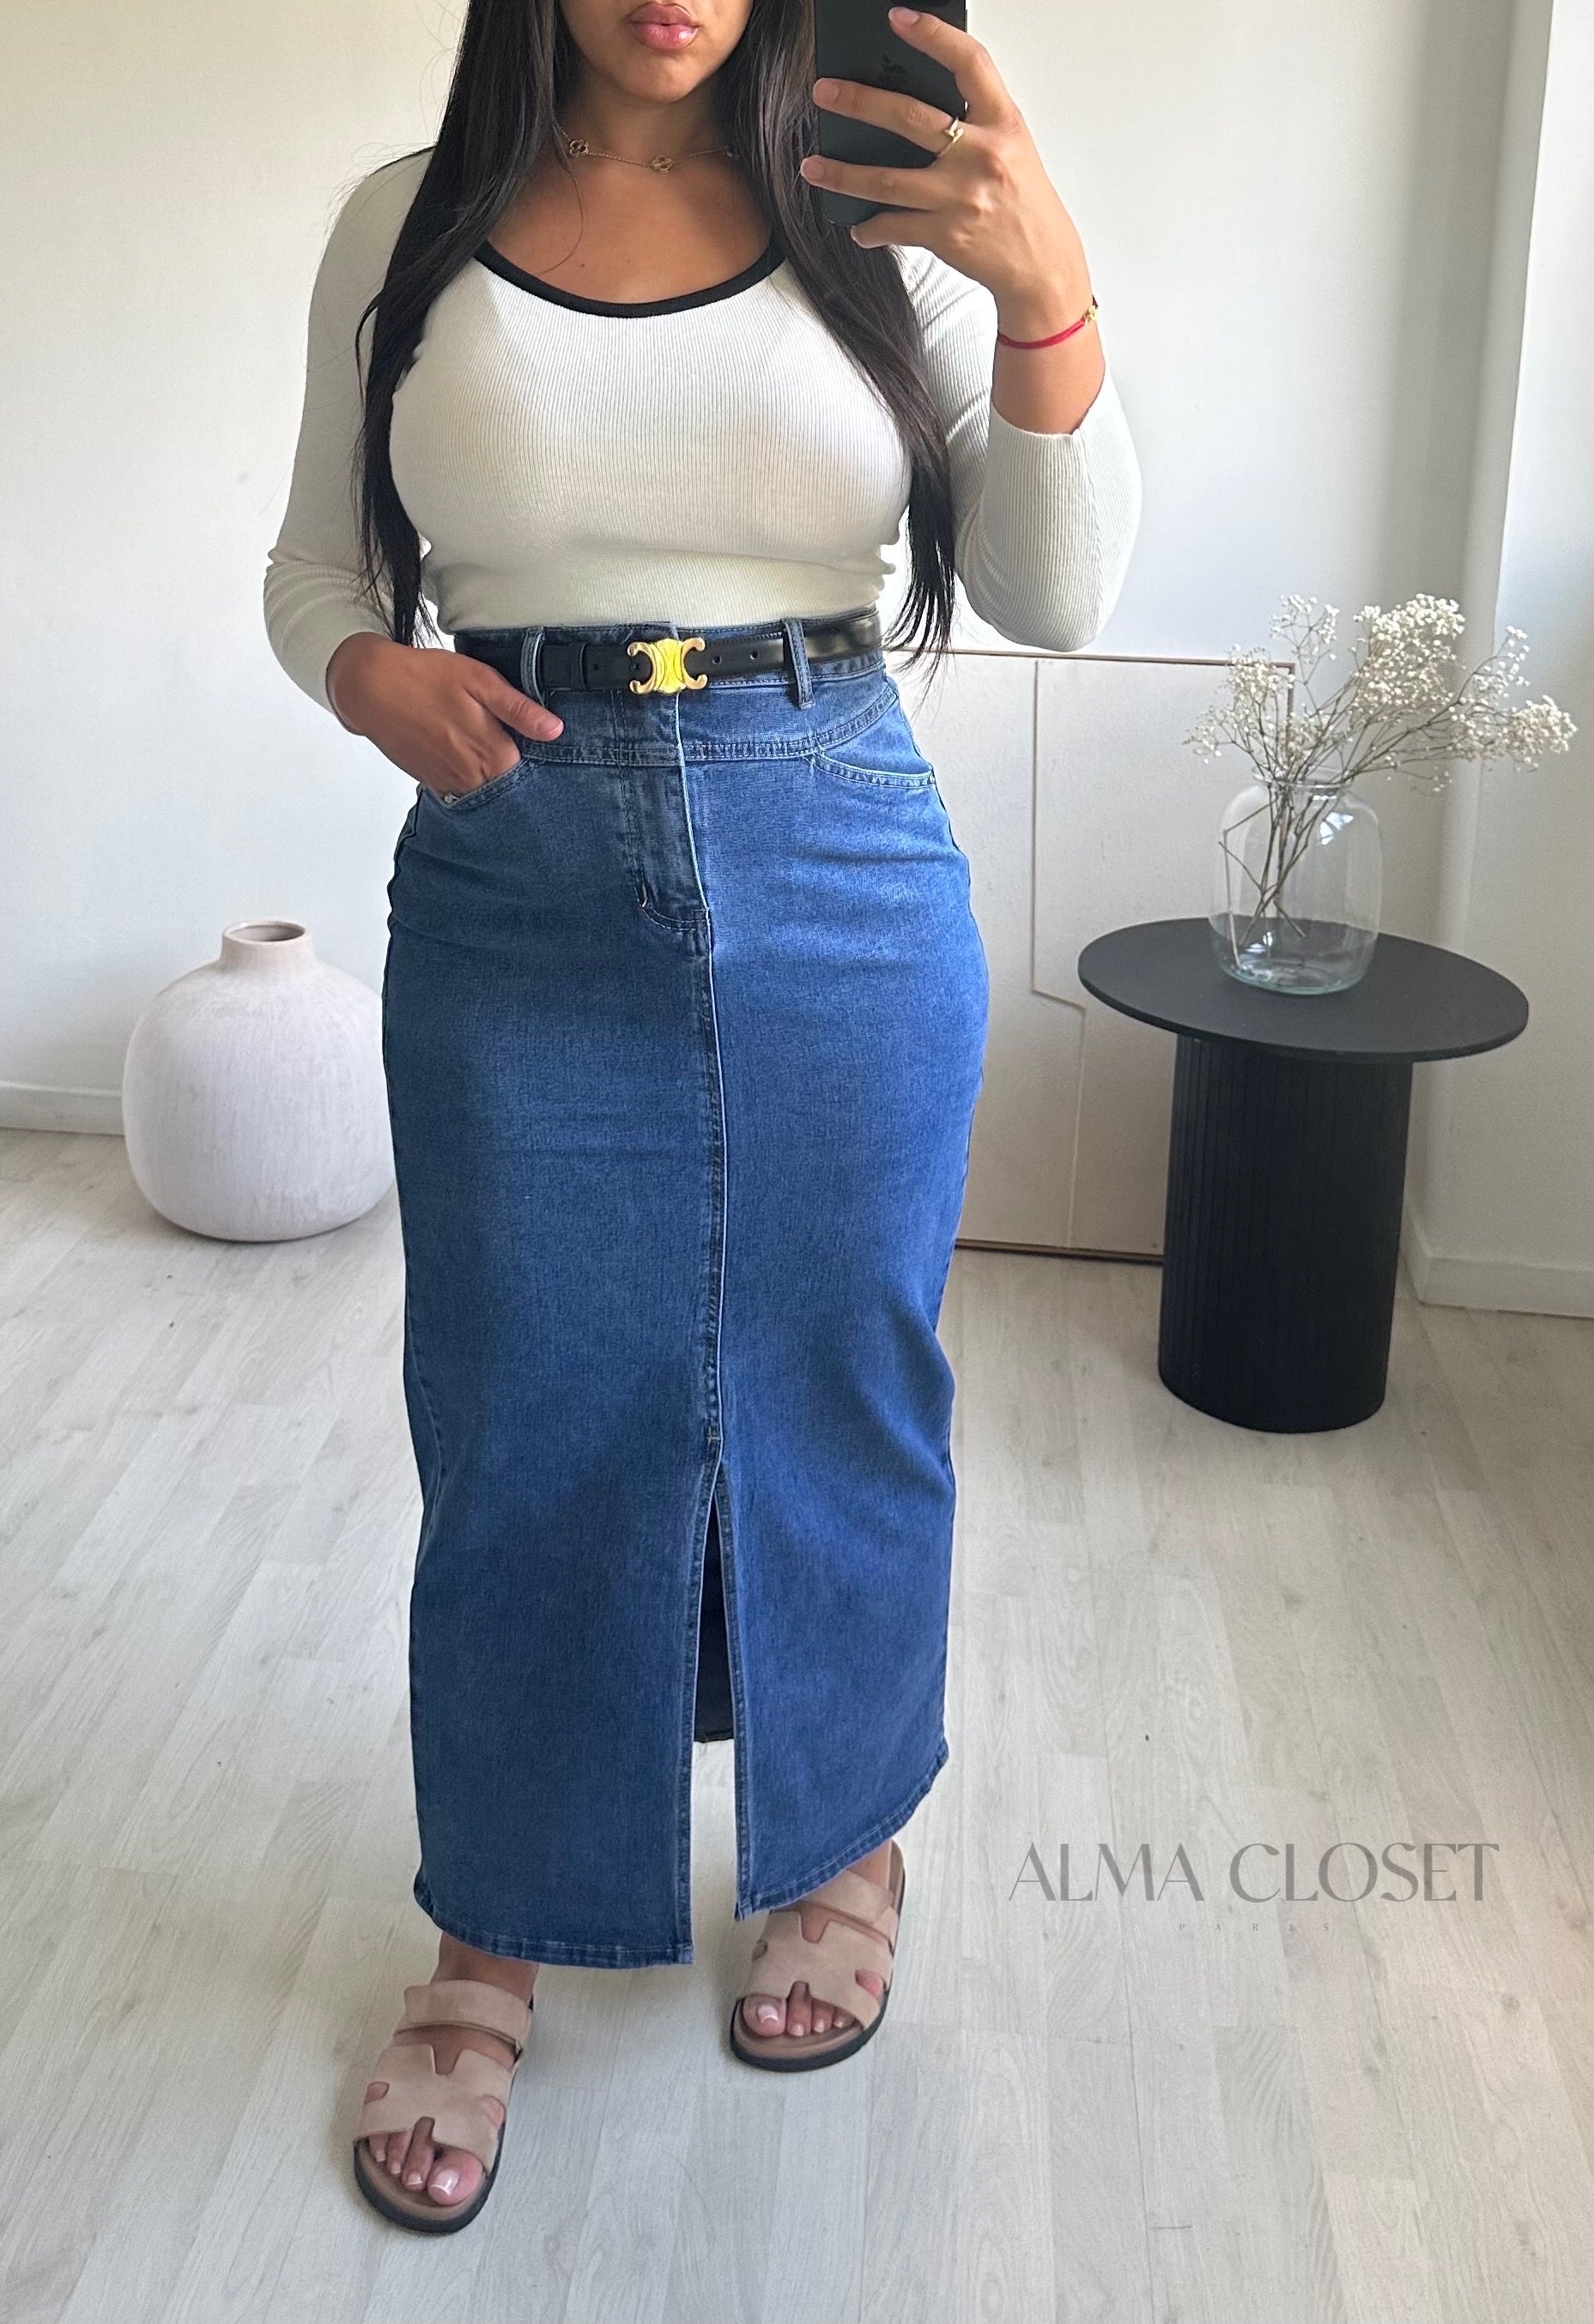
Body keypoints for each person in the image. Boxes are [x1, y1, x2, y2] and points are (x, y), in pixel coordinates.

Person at [264, 0, 1139, 2234]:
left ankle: (840, 1847)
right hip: (518, 859)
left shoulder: (884, 216)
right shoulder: (411, 221)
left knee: (840, 1382)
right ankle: (491, 1935)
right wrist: (368, 674)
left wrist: (1045, 281)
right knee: (521, 1401)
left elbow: (1059, 593)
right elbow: (315, 570)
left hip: (832, 834)